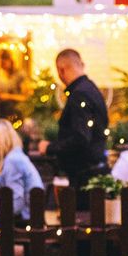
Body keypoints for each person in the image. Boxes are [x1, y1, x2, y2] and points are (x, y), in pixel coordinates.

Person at [39, 49, 109, 188]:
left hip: (84, 178)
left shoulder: (79, 95)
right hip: (95, 173)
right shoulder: (92, 90)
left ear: (61, 70)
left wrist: (50, 147)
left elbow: (81, 138)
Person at [0, 120, 43, 222]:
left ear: (0, 141)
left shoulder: (13, 161)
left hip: (25, 222)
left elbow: (16, 204)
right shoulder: (14, 157)